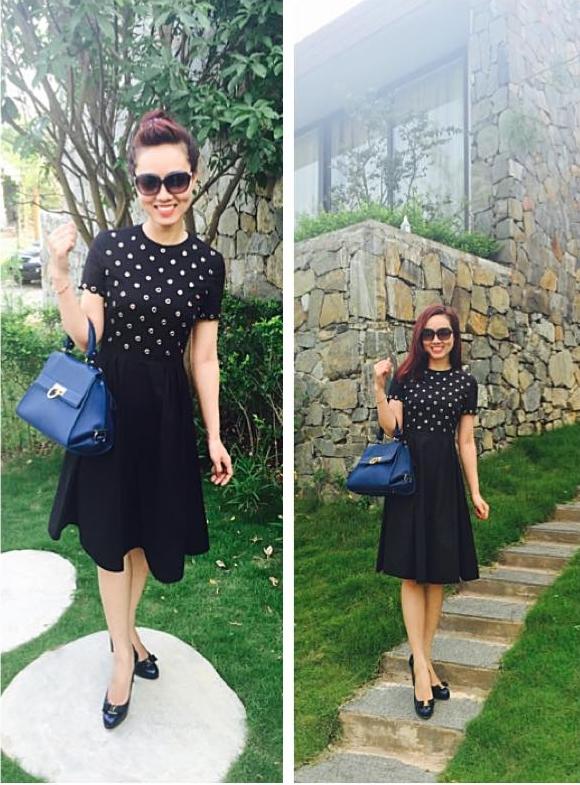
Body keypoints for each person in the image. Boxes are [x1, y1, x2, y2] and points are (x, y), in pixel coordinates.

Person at [46, 109, 233, 730]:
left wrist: (214, 434)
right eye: (150, 182)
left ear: (194, 179)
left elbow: (203, 357)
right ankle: (123, 656)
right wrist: (61, 275)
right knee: (111, 539)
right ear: (137, 184)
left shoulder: (207, 264)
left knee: (148, 538)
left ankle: (123, 632)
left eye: (175, 180)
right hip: (111, 409)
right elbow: (87, 337)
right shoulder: (111, 248)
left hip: (166, 414)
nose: (163, 194)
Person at [373, 304, 489, 720]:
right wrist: (379, 387)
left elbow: (466, 441)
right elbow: (392, 428)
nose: (436, 341)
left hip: (444, 482)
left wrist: (475, 491)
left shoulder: (465, 383)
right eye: (429, 334)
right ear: (420, 339)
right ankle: (422, 670)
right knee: (411, 574)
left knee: (437, 574)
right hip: (410, 481)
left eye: (443, 334)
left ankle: (422, 658)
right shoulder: (407, 377)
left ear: (454, 338)